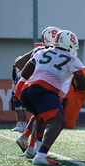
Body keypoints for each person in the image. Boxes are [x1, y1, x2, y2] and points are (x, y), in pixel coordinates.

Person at [21, 30, 85, 165]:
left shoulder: (41, 52)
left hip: (27, 90)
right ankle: (42, 155)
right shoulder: (74, 60)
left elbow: (25, 74)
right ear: (71, 44)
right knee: (59, 122)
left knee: (39, 116)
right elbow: (83, 86)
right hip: (44, 90)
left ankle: (32, 149)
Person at [15, 26, 61, 155]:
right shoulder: (56, 53)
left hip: (22, 84)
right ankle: (33, 146)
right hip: (35, 85)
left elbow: (18, 63)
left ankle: (27, 140)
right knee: (44, 114)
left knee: (39, 115)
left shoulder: (39, 49)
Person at [11, 56, 28, 132]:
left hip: (18, 92)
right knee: (23, 109)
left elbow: (14, 78)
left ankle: (19, 125)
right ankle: (24, 125)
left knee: (19, 110)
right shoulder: (24, 72)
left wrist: (14, 68)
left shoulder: (20, 73)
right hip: (23, 92)